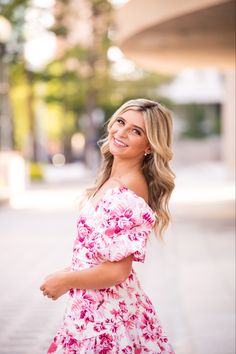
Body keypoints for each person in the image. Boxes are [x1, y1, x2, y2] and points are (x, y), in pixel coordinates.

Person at [40, 98, 176, 353]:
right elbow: (101, 252)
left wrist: (66, 280)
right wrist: (70, 269)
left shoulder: (128, 191)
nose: (121, 132)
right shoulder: (115, 179)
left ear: (149, 146)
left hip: (107, 321)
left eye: (136, 131)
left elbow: (117, 272)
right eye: (121, 122)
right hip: (96, 310)